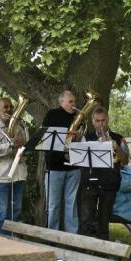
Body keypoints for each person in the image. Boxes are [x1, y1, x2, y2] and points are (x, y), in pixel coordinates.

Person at [79, 106, 128, 240]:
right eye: (97, 121)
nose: (101, 124)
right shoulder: (86, 138)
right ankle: (84, 252)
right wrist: (95, 145)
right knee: (86, 219)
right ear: (93, 121)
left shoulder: (118, 138)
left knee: (104, 220)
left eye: (103, 121)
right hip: (90, 183)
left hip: (110, 183)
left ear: (108, 120)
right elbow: (80, 161)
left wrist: (117, 147)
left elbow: (125, 161)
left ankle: (102, 254)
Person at [0, 97, 27, 235]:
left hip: (18, 173)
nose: (9, 109)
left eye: (10, 107)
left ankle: (10, 243)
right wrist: (10, 145)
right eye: (5, 107)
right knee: (0, 213)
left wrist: (23, 148)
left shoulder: (18, 126)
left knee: (15, 211)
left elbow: (24, 146)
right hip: (2, 176)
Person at [42, 90, 81, 233]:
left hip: (73, 166)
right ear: (61, 102)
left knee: (72, 205)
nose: (74, 105)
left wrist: (78, 137)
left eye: (74, 101)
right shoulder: (52, 114)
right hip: (55, 166)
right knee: (53, 205)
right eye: (70, 102)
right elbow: (45, 136)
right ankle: (51, 237)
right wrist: (68, 135)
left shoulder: (78, 117)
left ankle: (72, 237)